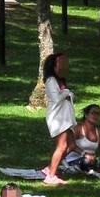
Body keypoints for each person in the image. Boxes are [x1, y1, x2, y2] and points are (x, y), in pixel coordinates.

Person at [42, 52, 76, 186]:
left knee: (72, 145)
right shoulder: (50, 80)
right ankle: (50, 176)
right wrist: (67, 93)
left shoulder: (60, 80)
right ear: (54, 65)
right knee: (61, 146)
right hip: (58, 117)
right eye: (60, 63)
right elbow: (56, 99)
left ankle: (50, 168)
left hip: (66, 117)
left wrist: (68, 94)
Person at [63, 104, 100, 173]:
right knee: (86, 161)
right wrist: (84, 154)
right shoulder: (78, 128)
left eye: (99, 114)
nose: (96, 116)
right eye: (93, 113)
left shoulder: (98, 132)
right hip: (74, 159)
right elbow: (71, 146)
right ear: (86, 115)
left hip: (92, 160)